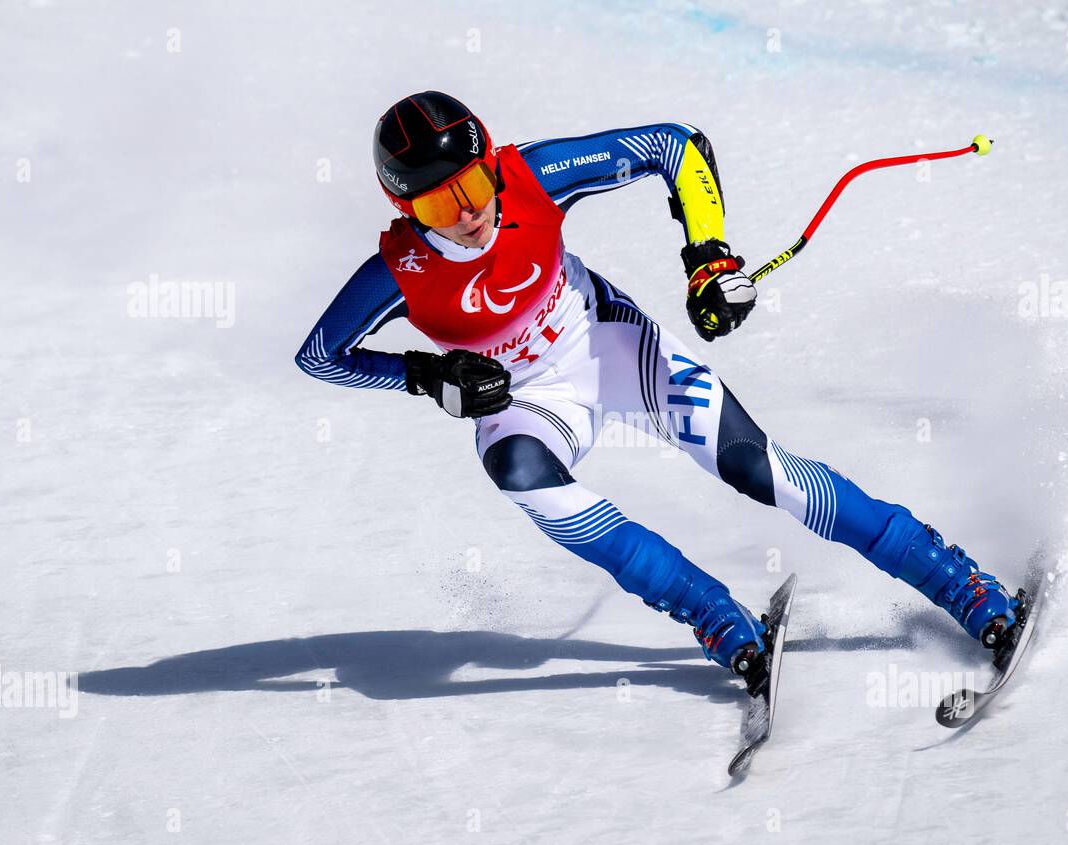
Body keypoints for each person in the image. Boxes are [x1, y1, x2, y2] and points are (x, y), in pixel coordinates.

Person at [295, 90, 1024, 691]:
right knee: (518, 472)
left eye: (474, 186)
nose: (466, 213)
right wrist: (427, 375)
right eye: (436, 207)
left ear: (491, 166)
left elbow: (674, 144)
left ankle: (958, 582)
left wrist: (708, 257)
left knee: (754, 468)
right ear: (404, 211)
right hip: (520, 402)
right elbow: (321, 355)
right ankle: (716, 618)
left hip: (610, 349)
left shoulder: (532, 176)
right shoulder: (398, 270)